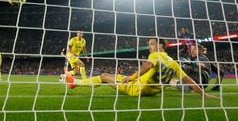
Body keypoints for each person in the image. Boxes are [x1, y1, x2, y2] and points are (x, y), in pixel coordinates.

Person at [66, 38, 216, 99]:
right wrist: (204, 95)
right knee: (118, 76)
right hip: (154, 91)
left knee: (105, 76)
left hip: (138, 89)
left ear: (160, 45)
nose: (149, 46)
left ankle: (75, 82)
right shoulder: (173, 62)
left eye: (151, 43)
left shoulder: (156, 55)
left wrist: (131, 78)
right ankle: (75, 81)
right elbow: (188, 80)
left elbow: (148, 65)